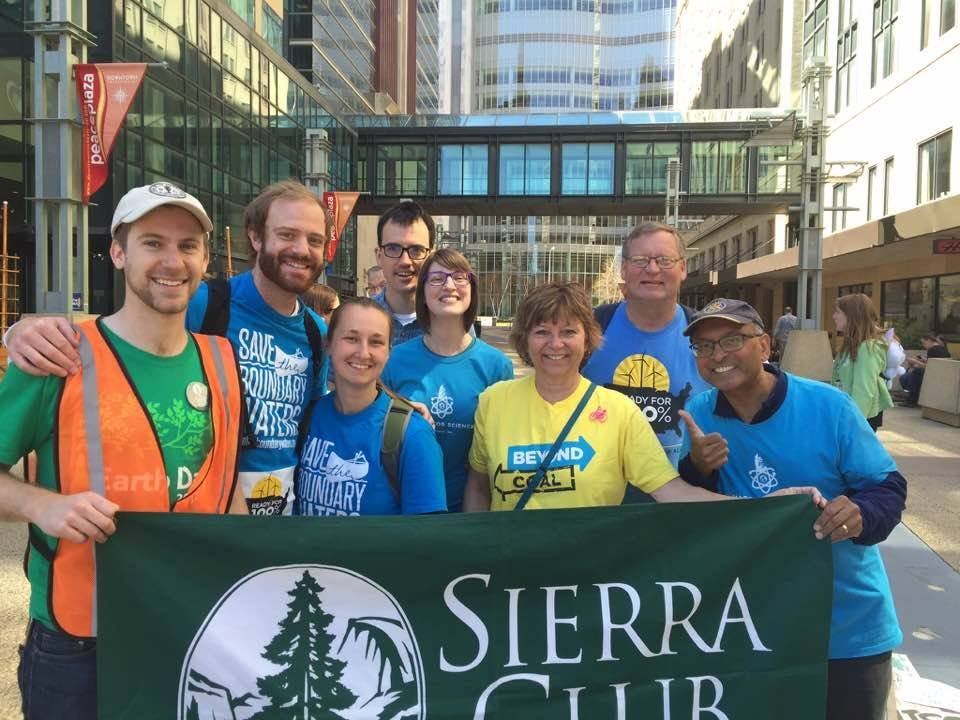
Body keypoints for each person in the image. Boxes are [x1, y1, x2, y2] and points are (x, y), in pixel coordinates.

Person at [0, 183, 245, 719]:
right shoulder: (57, 355)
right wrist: (42, 505)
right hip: (79, 643)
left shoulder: (223, 364)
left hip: (188, 628)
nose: (172, 261)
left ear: (205, 259)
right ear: (117, 253)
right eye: (152, 243)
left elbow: (227, 497)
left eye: (187, 245)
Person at [4, 181, 333, 516]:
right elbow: (128, 331)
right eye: (287, 234)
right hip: (143, 532)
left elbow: (311, 424)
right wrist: (20, 332)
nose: (173, 262)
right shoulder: (204, 302)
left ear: (204, 258)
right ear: (256, 237)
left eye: (314, 240)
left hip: (257, 520)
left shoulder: (312, 333)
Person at [677, 297, 906, 720]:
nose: (717, 355)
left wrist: (857, 514)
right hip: (750, 627)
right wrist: (698, 468)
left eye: (732, 340)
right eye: (704, 346)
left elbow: (887, 488)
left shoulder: (829, 406)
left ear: (764, 345)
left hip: (844, 626)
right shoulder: (699, 413)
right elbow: (697, 516)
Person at [463, 282, 797, 511]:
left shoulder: (618, 410)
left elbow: (671, 491)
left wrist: (763, 507)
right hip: (514, 575)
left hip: (591, 576)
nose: (556, 344)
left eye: (568, 332)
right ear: (525, 339)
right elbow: (478, 486)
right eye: (541, 332)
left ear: (587, 339)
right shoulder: (493, 402)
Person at [582, 222, 710, 499]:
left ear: (683, 268)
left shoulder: (705, 333)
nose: (652, 269)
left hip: (682, 498)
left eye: (664, 260)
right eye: (640, 260)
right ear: (623, 269)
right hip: (600, 501)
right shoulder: (591, 327)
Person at [381, 249, 513, 512]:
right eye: (437, 278)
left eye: (459, 277)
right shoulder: (394, 360)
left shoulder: (497, 366)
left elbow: (500, 450)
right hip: (403, 507)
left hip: (471, 509)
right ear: (423, 291)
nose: (450, 285)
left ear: (472, 289)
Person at [296, 299, 447, 515]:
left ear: (388, 352)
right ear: (328, 344)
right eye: (351, 338)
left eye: (376, 342)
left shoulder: (413, 435)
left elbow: (427, 531)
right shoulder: (308, 417)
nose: (363, 352)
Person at [371, 200, 436, 346]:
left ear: (431, 257)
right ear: (379, 256)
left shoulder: (451, 323)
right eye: (393, 248)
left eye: (416, 250)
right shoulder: (356, 321)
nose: (405, 261)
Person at [831, 293, 893, 431]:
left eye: (838, 312)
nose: (834, 316)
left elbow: (864, 390)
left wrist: (853, 423)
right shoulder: (851, 346)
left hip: (859, 418)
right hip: (849, 413)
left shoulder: (867, 348)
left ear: (852, 316)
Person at [899, 332, 951, 406]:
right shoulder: (942, 349)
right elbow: (934, 363)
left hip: (934, 376)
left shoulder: (933, 350)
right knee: (910, 375)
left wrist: (915, 362)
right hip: (941, 375)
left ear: (929, 340)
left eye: (924, 343)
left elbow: (930, 367)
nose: (923, 346)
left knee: (914, 373)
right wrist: (924, 360)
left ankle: (912, 400)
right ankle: (911, 397)